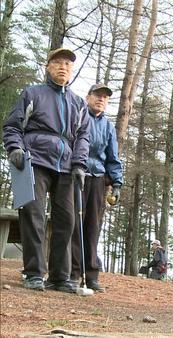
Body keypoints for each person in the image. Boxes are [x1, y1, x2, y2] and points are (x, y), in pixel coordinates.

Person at [3, 48, 91, 293]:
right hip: (34, 159)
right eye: (58, 62)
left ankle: (60, 277)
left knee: (67, 219)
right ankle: (33, 273)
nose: (63, 67)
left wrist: (80, 164)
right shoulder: (32, 93)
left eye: (68, 64)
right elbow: (12, 126)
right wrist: (15, 149)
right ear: (48, 67)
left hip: (66, 165)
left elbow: (83, 137)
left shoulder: (79, 103)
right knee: (33, 214)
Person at [70, 84, 123, 293]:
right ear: (88, 96)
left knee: (93, 226)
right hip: (76, 175)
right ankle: (73, 274)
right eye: (97, 96)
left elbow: (113, 157)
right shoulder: (78, 116)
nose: (101, 99)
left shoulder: (108, 127)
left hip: (98, 179)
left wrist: (117, 183)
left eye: (105, 97)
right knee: (74, 224)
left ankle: (91, 275)